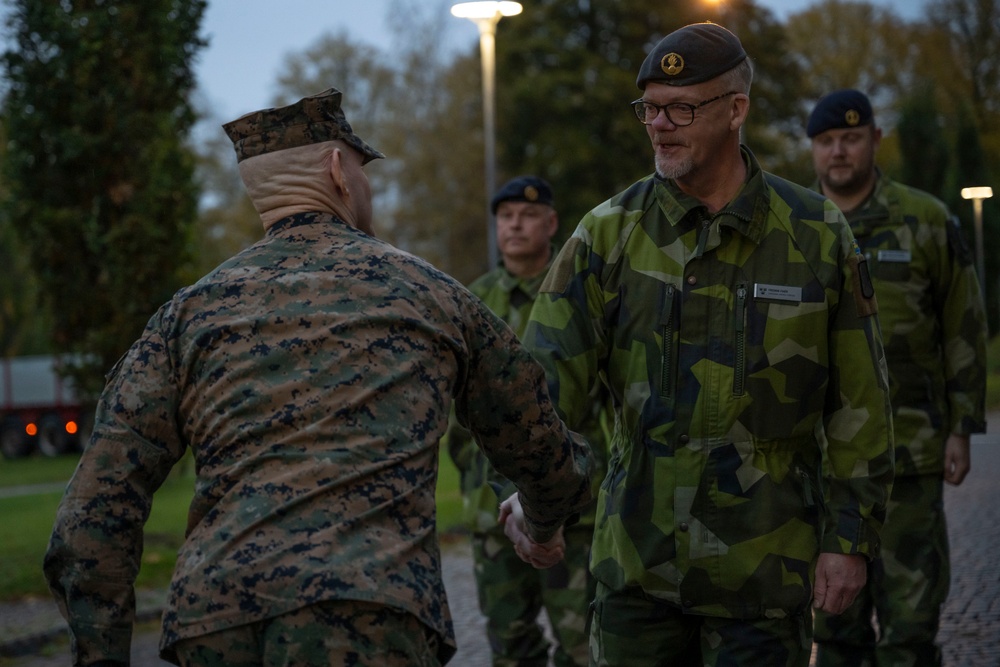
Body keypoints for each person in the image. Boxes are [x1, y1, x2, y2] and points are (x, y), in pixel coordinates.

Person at [42, 88, 593, 667]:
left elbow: (89, 522)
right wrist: (541, 524)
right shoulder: (431, 294)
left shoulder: (185, 317)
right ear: (336, 170)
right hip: (371, 616)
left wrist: (100, 656)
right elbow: (542, 449)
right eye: (362, 168)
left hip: (214, 621)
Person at [499, 22, 894, 667]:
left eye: (681, 108)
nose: (659, 125)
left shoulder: (817, 234)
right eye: (649, 108)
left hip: (764, 575)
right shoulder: (608, 234)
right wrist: (532, 499)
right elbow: (542, 387)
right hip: (637, 572)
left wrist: (849, 538)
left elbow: (861, 403)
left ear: (736, 109)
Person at [807, 89, 987, 666]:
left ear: (876, 141)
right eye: (827, 141)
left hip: (908, 453)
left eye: (851, 138)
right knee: (833, 629)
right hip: (820, 464)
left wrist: (961, 426)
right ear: (813, 149)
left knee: (910, 626)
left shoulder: (926, 220)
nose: (839, 152)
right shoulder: (796, 227)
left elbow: (963, 325)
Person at [446, 175, 609, 667]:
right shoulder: (470, 301)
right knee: (510, 646)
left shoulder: (580, 292)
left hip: (576, 515)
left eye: (528, 214)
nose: (515, 224)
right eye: (505, 216)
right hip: (492, 515)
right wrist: (488, 484)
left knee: (582, 644)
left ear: (552, 223)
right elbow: (460, 420)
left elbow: (598, 401)